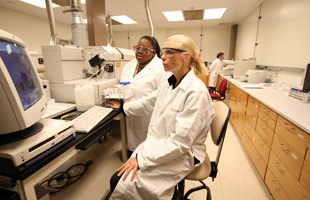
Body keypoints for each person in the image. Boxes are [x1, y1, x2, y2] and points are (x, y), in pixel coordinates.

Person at [109, 35, 215, 200]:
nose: (163, 57)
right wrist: (124, 108)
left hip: (184, 152)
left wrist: (142, 158)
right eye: (163, 51)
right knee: (122, 178)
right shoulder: (169, 82)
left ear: (185, 57)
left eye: (170, 52)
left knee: (122, 181)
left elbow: (180, 143)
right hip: (162, 143)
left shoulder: (196, 93)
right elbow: (148, 102)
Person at [120, 35, 168, 157]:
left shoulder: (162, 68)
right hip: (130, 114)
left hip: (149, 116)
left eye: (145, 49)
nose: (140, 51)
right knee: (132, 145)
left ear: (154, 53)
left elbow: (156, 99)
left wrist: (125, 107)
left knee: (147, 150)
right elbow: (124, 84)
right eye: (137, 48)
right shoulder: (130, 65)